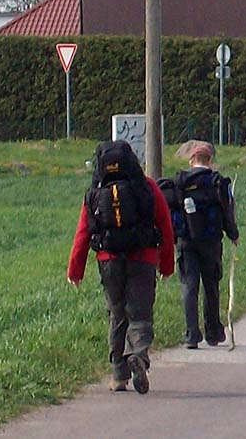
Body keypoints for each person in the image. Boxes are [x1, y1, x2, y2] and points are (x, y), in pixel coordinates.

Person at [67, 140, 174, 394]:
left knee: (117, 314)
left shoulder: (96, 192)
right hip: (143, 257)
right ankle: (138, 355)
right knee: (140, 314)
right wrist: (166, 264)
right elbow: (165, 225)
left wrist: (75, 270)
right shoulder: (147, 186)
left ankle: (118, 375)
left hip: (108, 259)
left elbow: (83, 232)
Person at [173, 142, 239, 349]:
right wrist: (233, 234)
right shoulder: (218, 182)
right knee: (211, 286)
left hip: (186, 241)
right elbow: (227, 211)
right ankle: (213, 333)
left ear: (191, 161)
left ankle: (191, 335)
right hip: (211, 241)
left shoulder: (180, 182)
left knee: (189, 286)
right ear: (210, 161)